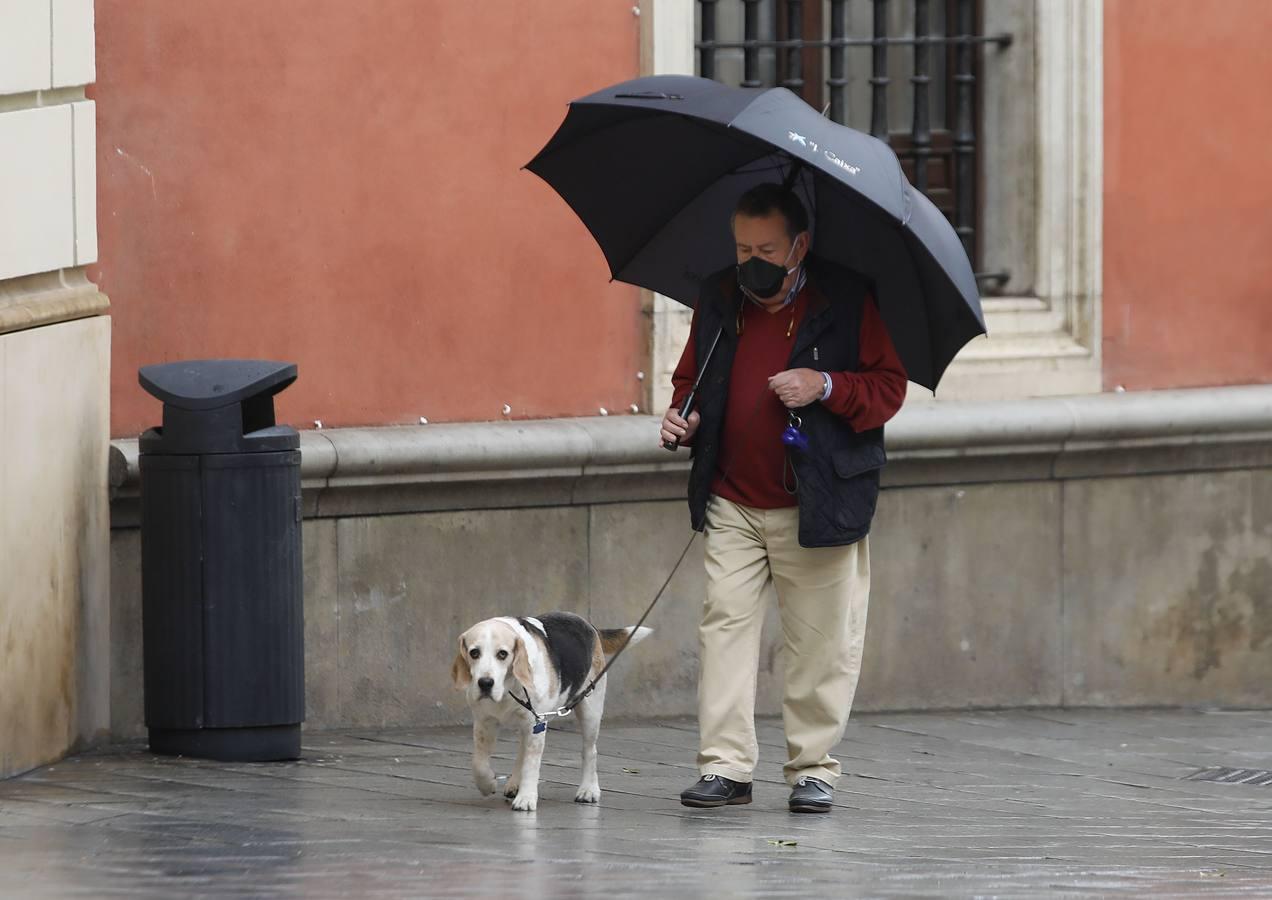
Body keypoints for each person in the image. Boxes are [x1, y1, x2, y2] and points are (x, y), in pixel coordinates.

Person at [660, 183, 907, 813]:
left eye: (766, 247)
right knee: (724, 629)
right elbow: (692, 377)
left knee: (821, 641)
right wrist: (683, 418)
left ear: (799, 244)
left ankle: (813, 769)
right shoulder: (720, 295)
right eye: (742, 247)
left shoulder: (847, 298)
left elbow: (887, 390)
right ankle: (725, 766)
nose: (752, 260)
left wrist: (823, 383)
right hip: (732, 498)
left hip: (817, 502)